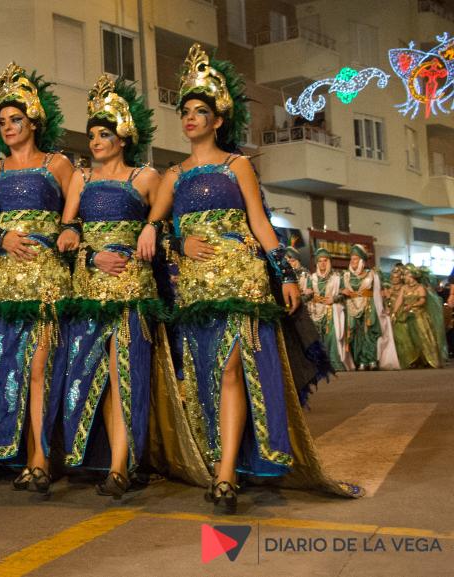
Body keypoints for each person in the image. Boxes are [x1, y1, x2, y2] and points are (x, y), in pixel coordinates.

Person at [140, 44, 360, 512]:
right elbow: (153, 228)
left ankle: (225, 476)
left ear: (218, 119)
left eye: (200, 111)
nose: (190, 118)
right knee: (205, 374)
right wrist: (178, 244)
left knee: (232, 368)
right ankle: (225, 461)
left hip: (243, 281)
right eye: (186, 112)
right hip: (195, 290)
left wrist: (285, 274)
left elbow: (260, 224)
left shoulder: (237, 165)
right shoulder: (172, 175)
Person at [59, 75, 162, 499]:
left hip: (132, 288)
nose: (96, 142)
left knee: (126, 375)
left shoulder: (147, 177)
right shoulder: (80, 179)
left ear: (123, 137)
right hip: (88, 288)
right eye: (92, 136)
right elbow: (66, 232)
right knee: (92, 377)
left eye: (104, 134)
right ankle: (109, 459)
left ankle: (121, 466)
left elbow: (166, 227)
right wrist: (87, 252)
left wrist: (152, 228)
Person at [0, 62, 73, 493]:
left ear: (33, 121)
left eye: (16, 119)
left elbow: (78, 218)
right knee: (7, 369)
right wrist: (0, 235)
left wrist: (68, 232)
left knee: (39, 368)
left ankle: (41, 458)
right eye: (2, 122)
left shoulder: (59, 164)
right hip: (3, 283)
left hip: (46, 279)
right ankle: (15, 453)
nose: (8, 127)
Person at [340, 244, 398, 370]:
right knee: (355, 334)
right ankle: (360, 360)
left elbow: (379, 293)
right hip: (352, 308)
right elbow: (339, 292)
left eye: (355, 259)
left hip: (368, 308)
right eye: (351, 259)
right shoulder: (345, 276)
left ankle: (371, 359)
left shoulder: (372, 274)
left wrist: (384, 308)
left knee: (369, 333)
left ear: (361, 260)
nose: (352, 261)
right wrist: (342, 291)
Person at [301, 248, 352, 371]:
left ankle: (334, 364)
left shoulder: (337, 277)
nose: (322, 263)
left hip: (331, 313)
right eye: (320, 261)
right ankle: (319, 366)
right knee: (316, 339)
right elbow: (307, 296)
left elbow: (345, 293)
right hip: (314, 311)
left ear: (329, 262)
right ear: (316, 263)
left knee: (331, 338)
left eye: (325, 261)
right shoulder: (311, 278)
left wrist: (333, 299)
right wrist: (303, 297)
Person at [391, 265, 442, 369]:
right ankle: (414, 359)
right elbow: (399, 301)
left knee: (422, 337)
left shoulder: (420, 287)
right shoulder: (404, 288)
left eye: (405, 274)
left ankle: (428, 360)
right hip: (407, 315)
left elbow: (422, 301)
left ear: (412, 275)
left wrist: (412, 305)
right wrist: (394, 312)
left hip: (419, 316)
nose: (403, 277)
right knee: (410, 337)